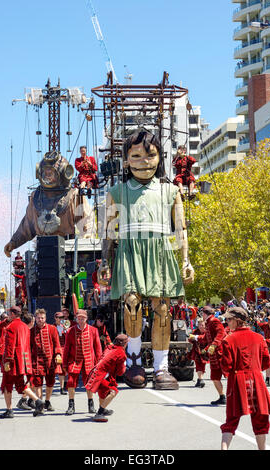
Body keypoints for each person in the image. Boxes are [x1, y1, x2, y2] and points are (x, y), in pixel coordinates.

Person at [100, 129, 194, 390]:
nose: (144, 161)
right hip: (130, 251)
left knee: (163, 310)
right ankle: (134, 362)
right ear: (127, 160)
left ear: (159, 158)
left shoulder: (171, 191)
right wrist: (105, 260)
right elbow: (108, 230)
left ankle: (162, 367)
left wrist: (186, 260)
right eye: (136, 155)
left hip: (161, 251)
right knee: (132, 304)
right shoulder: (116, 192)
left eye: (150, 155)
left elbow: (181, 229)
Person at [220, 307, 270, 451]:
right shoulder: (259, 337)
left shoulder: (228, 339)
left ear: (237, 321)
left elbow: (226, 366)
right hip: (257, 381)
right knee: (260, 420)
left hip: (237, 381)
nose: (227, 322)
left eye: (229, 319)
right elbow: (266, 363)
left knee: (231, 420)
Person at [0, 306, 44, 418]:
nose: (8, 315)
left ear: (13, 314)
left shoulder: (11, 327)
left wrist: (7, 361)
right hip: (22, 361)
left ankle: (9, 410)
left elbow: (10, 346)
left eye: (9, 313)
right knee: (20, 385)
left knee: (6, 385)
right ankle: (37, 401)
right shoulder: (25, 326)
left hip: (12, 362)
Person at [63, 309, 102, 415]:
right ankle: (71, 405)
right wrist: (64, 364)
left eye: (82, 318)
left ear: (86, 319)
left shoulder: (93, 330)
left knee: (89, 383)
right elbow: (66, 348)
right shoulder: (71, 331)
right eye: (78, 318)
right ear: (76, 318)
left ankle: (91, 404)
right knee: (71, 382)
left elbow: (98, 348)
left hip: (89, 361)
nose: (80, 320)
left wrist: (99, 363)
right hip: (74, 360)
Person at [85, 334, 128, 422]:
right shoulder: (121, 353)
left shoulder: (109, 347)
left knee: (103, 392)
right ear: (125, 344)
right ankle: (99, 413)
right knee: (113, 391)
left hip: (96, 372)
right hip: (101, 375)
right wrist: (124, 366)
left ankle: (103, 409)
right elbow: (120, 372)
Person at [189, 306, 227, 405]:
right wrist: (196, 337)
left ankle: (236, 397)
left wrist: (214, 344)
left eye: (202, 313)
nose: (202, 315)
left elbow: (221, 333)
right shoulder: (209, 322)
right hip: (213, 354)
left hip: (220, 353)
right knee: (215, 377)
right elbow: (206, 337)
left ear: (205, 314)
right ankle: (222, 397)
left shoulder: (214, 321)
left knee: (229, 375)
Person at [30, 309, 62, 412]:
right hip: (37, 362)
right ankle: (40, 403)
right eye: (38, 318)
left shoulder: (52, 329)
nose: (40, 319)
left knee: (50, 383)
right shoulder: (31, 332)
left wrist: (58, 354)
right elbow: (28, 347)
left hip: (50, 361)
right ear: (35, 318)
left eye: (42, 318)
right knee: (38, 383)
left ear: (45, 318)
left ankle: (47, 402)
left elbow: (57, 343)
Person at [188, 318, 208, 388]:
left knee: (203, 365)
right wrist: (191, 338)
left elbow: (209, 341)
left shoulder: (207, 332)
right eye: (199, 325)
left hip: (205, 351)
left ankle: (200, 379)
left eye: (202, 325)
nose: (201, 326)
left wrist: (206, 349)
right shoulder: (195, 331)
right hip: (197, 350)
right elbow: (190, 340)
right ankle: (200, 379)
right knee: (198, 365)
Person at [54, 311, 68, 395]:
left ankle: (63, 386)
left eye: (62, 317)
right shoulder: (52, 327)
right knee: (58, 369)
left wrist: (67, 330)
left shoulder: (65, 326)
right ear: (55, 318)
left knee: (65, 368)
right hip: (56, 349)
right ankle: (61, 387)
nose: (61, 319)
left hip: (65, 348)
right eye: (59, 318)